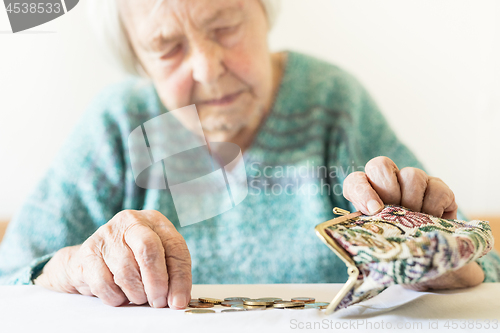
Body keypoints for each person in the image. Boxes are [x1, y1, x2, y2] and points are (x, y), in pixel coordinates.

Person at [0, 0, 498, 311]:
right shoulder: (119, 122)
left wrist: (442, 259)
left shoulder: (331, 102)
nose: (208, 68)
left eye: (223, 27)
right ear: (138, 57)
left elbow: (486, 274)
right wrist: (73, 267)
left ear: (263, 12)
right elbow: (10, 276)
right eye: (167, 46)